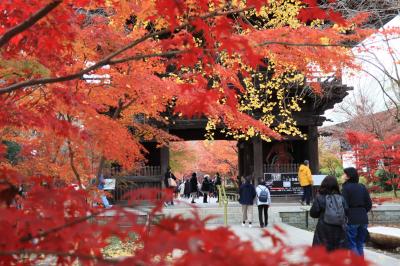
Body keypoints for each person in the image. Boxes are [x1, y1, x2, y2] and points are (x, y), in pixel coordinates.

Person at [310, 176, 348, 252]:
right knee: (337, 252)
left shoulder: (319, 198)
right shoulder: (341, 198)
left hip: (323, 228)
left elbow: (313, 213)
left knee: (322, 252)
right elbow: (346, 211)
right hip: (339, 229)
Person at [342, 167, 372, 257]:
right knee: (360, 244)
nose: (342, 175)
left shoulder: (346, 188)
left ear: (348, 176)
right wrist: (362, 211)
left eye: (344, 174)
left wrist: (346, 215)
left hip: (352, 218)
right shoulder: (362, 187)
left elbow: (344, 205)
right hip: (363, 217)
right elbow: (369, 204)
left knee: (352, 244)